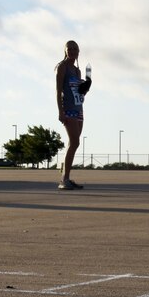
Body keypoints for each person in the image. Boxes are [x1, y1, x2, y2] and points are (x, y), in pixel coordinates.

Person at [55, 40, 89, 190]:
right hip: (68, 108)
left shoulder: (77, 71)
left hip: (79, 108)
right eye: (70, 49)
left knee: (72, 144)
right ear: (65, 51)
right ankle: (64, 180)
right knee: (74, 142)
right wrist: (60, 111)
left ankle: (66, 176)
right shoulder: (62, 67)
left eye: (75, 49)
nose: (73, 51)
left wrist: (85, 87)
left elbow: (80, 93)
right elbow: (58, 91)